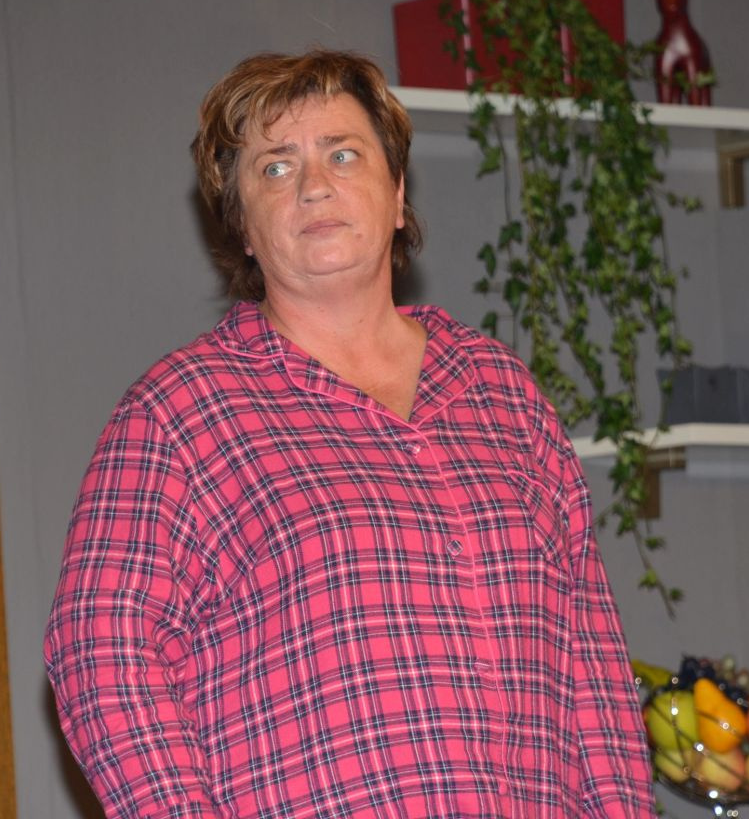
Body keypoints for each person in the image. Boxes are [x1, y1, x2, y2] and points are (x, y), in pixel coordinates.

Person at [44, 49, 655, 819]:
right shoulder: (179, 414)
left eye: (342, 154)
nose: (313, 185)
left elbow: (591, 662)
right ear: (242, 226)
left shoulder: (502, 393)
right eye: (274, 167)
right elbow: (100, 651)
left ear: (397, 195)